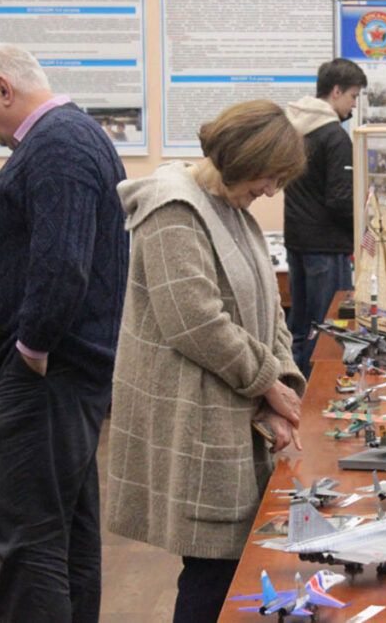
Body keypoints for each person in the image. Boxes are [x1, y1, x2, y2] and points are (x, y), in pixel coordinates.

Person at [104, 100, 307, 623]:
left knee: (232, 568)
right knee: (212, 573)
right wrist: (268, 383)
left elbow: (270, 309)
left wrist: (281, 383)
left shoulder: (234, 211)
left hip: (234, 409)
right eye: (269, 176)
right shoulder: (173, 209)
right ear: (241, 158)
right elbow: (195, 321)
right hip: (199, 421)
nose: (271, 191)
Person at [0, 42, 128, 622]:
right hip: (61, 378)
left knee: (28, 541)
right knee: (64, 537)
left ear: (4, 88)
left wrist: (29, 352)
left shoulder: (58, 144)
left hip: (45, 378)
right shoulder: (70, 137)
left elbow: (62, 265)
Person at [283, 58, 368, 374]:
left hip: (297, 244)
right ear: (336, 91)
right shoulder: (334, 136)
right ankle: (319, 396)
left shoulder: (295, 130)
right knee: (329, 329)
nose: (354, 105)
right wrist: (365, 228)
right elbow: (340, 200)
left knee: (300, 327)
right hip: (327, 249)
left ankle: (296, 390)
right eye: (353, 96)